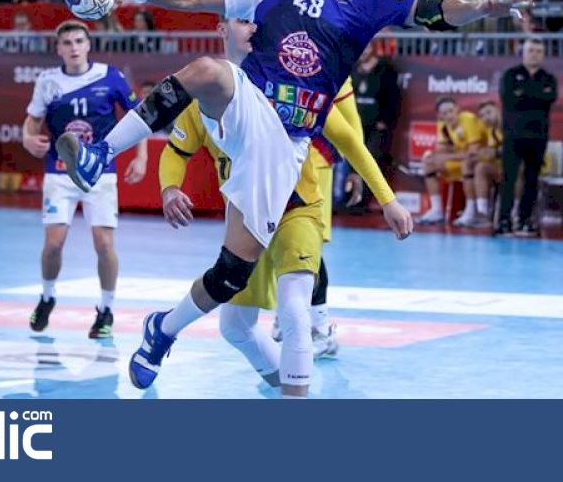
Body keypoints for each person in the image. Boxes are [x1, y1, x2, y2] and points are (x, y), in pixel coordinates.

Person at [56, 0, 511, 390]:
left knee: (231, 275)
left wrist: (481, 9)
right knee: (208, 71)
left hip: (286, 147)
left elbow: (433, 9)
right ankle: (100, 154)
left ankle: (162, 329)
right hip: (251, 107)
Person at [158, 19, 397, 396]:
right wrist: (169, 188)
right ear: (222, 29)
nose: (255, 30)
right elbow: (174, 148)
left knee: (295, 299)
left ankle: (316, 332)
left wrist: (386, 198)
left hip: (300, 195)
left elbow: (350, 134)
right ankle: (167, 330)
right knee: (234, 324)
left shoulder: (304, 77)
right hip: (247, 214)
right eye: (243, 21)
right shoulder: (206, 88)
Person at [21, 21, 148, 339]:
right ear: (58, 49)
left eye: (79, 41)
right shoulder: (48, 81)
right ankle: (47, 297)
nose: (74, 47)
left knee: (104, 245)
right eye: (67, 43)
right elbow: (32, 121)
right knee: (53, 245)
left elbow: (139, 116)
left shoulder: (110, 76)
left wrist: (142, 156)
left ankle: (106, 310)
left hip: (100, 172)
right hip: (59, 172)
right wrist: (27, 138)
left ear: (89, 45)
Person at [495, 37, 557, 237]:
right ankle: (504, 221)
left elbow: (549, 98)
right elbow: (510, 100)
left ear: (543, 55)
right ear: (523, 53)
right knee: (509, 179)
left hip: (538, 136)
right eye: (531, 50)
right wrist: (536, 95)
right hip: (513, 135)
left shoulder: (548, 78)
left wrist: (525, 94)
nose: (534, 55)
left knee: (532, 179)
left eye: (539, 51)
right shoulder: (510, 75)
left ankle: (524, 220)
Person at [417, 97, 486, 226]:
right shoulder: (442, 125)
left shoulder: (468, 119)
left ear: (457, 109)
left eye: (451, 111)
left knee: (467, 164)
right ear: (439, 115)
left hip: (478, 161)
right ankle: (437, 211)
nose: (449, 115)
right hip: (460, 160)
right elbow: (443, 148)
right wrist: (432, 155)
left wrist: (446, 157)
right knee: (429, 164)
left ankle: (471, 211)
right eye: (444, 113)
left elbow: (473, 152)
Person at [350, 40, 400, 206]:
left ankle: (364, 200)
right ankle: (350, 198)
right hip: (356, 123)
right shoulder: (353, 68)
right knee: (353, 160)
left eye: (366, 47)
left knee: (370, 159)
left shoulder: (385, 69)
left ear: (373, 48)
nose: (363, 51)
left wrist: (385, 120)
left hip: (377, 125)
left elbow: (393, 98)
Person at [469, 100, 502, 230]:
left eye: (489, 112)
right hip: (501, 168)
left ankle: (516, 213)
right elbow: (489, 153)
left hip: (522, 167)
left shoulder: (509, 124)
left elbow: (516, 150)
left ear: (498, 111)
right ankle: (482, 213)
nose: (486, 117)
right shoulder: (490, 131)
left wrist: (494, 152)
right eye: (482, 115)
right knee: (480, 167)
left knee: (518, 170)